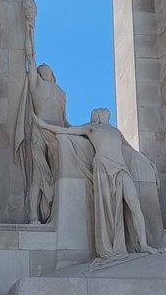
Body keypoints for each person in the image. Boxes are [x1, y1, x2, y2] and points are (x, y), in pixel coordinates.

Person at [36, 107, 157, 260]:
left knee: (134, 203)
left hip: (121, 169)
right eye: (100, 109)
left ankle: (144, 244)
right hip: (103, 168)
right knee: (108, 208)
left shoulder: (116, 132)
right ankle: (111, 245)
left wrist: (148, 163)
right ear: (98, 116)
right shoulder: (91, 128)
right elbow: (65, 131)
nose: (105, 108)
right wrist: (42, 124)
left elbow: (131, 150)